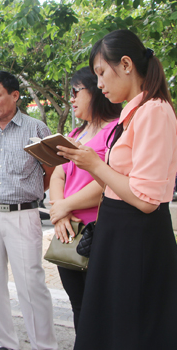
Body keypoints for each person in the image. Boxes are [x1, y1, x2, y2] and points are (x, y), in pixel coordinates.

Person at [56, 29, 177, 349]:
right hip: (117, 235)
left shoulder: (154, 111)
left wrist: (94, 165)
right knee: (108, 329)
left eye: (101, 73)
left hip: (137, 239)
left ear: (126, 64)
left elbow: (145, 200)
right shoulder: (133, 113)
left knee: (132, 333)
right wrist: (83, 161)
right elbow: (117, 183)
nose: (99, 84)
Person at [0, 71, 58, 350]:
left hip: (23, 214)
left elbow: (52, 170)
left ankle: (45, 346)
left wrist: (28, 195)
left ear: (14, 95)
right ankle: (6, 344)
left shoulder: (36, 128)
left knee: (31, 284)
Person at [48, 67, 121, 331]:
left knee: (100, 309)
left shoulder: (116, 131)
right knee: (78, 306)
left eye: (76, 92)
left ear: (97, 90)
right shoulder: (75, 135)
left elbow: (107, 182)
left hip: (98, 233)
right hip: (68, 232)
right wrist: (60, 213)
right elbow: (58, 175)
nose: (72, 99)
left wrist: (65, 206)